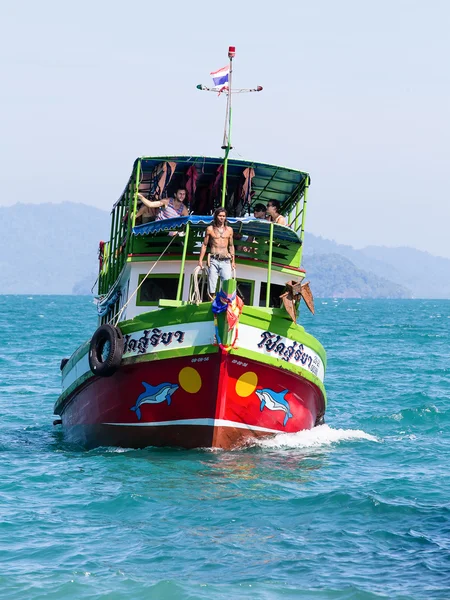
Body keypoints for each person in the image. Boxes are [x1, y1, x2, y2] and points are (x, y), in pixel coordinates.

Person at [198, 208, 235, 299]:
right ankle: (211, 301)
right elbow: (204, 245)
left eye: (223, 216)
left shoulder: (229, 230)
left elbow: (231, 246)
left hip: (226, 260)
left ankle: (225, 302)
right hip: (214, 259)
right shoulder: (210, 229)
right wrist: (200, 260)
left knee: (227, 283)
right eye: (220, 216)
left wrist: (233, 261)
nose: (222, 218)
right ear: (216, 216)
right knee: (212, 283)